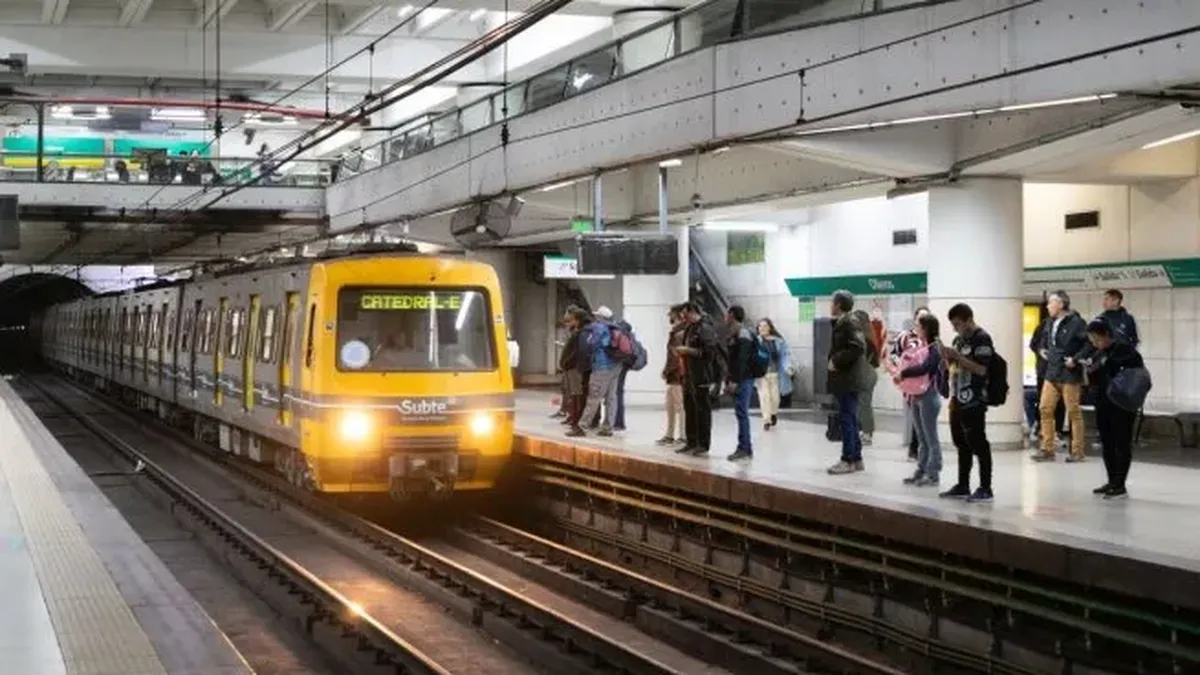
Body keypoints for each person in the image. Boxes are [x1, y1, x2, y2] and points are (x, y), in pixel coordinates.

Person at [938, 303, 995, 503]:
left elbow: (982, 370)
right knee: (961, 442)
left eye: (958, 324)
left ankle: (985, 487)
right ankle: (963, 484)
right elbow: (955, 366)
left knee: (978, 442)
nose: (955, 328)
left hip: (974, 399)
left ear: (969, 320)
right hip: (957, 397)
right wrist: (947, 357)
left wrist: (958, 357)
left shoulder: (982, 339)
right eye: (953, 325)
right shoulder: (959, 340)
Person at [1084, 318, 1144, 499]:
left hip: (1122, 405)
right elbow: (1094, 374)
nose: (1094, 343)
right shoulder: (1098, 353)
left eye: (1097, 338)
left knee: (1121, 443)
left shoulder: (1125, 351)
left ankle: (1120, 484)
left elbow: (1136, 376)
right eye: (1092, 339)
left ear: (1107, 335)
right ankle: (1111, 480)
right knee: (1107, 442)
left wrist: (1106, 363)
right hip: (1103, 403)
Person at [1033, 290, 1089, 463]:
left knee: (1073, 411)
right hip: (1052, 371)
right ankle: (1047, 448)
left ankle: (1078, 451)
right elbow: (1043, 341)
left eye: (1051, 302)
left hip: (1069, 373)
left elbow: (1089, 343)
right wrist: (1042, 349)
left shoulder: (1077, 323)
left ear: (1061, 304)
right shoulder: (1049, 322)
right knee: (1045, 408)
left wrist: (1076, 359)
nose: (1048, 306)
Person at [892, 314, 945, 487]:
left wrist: (904, 373)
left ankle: (933, 473)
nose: (915, 328)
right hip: (916, 395)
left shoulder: (936, 347)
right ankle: (921, 470)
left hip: (929, 395)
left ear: (926, 328)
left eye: (918, 326)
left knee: (931, 437)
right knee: (922, 438)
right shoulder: (921, 345)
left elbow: (926, 368)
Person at [826, 290, 867, 475]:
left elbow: (858, 347)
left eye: (832, 302)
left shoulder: (849, 322)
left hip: (848, 379)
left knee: (847, 419)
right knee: (849, 417)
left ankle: (847, 459)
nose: (830, 305)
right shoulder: (844, 321)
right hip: (846, 378)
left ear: (839, 304)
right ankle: (857, 458)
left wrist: (837, 360)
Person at [674, 302, 719, 456]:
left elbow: (709, 353)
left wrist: (688, 350)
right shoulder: (689, 328)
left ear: (693, 312)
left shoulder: (705, 329)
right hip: (689, 375)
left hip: (702, 375)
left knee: (702, 410)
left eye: (685, 315)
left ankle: (703, 444)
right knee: (690, 409)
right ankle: (691, 441)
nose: (684, 318)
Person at [569, 306, 619, 438]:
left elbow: (592, 344)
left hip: (601, 367)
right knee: (611, 397)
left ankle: (582, 427)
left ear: (601, 317)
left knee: (593, 397)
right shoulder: (615, 327)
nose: (595, 318)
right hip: (615, 367)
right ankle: (607, 428)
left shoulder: (599, 328)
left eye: (597, 316)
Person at [889, 306, 930, 460]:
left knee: (925, 417)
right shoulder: (905, 337)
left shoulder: (931, 339)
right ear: (915, 320)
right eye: (921, 318)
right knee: (917, 417)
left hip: (927, 383)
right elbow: (894, 355)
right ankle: (915, 448)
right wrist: (900, 370)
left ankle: (920, 449)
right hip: (911, 384)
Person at [724, 306, 757, 462]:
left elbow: (742, 360)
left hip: (744, 379)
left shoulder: (743, 333)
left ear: (732, 315)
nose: (725, 317)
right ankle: (746, 447)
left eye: (727, 314)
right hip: (740, 378)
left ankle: (743, 448)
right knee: (740, 412)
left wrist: (735, 381)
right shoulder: (736, 332)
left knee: (742, 413)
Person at [850, 307, 882, 446]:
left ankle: (867, 433)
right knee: (864, 405)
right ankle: (866, 432)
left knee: (864, 405)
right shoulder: (870, 338)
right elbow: (875, 362)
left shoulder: (861, 339)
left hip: (863, 374)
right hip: (869, 373)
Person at [657, 304, 687, 446]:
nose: (669, 316)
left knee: (680, 406)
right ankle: (670, 435)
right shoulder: (676, 331)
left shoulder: (681, 331)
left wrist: (669, 369)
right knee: (670, 405)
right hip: (673, 374)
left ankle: (683, 436)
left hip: (678, 374)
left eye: (671, 314)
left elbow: (677, 355)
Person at [754, 318, 792, 431]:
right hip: (761, 374)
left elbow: (785, 356)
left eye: (765, 326)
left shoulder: (778, 341)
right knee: (764, 396)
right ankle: (766, 420)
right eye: (760, 326)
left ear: (770, 327)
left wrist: (788, 367)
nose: (762, 328)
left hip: (775, 373)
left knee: (775, 398)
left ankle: (773, 413)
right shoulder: (755, 342)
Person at [560, 308, 591, 432]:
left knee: (577, 394)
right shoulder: (578, 332)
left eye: (572, 319)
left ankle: (577, 420)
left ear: (578, 320)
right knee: (575, 394)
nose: (570, 322)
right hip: (573, 367)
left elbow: (577, 352)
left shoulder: (581, 333)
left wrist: (567, 363)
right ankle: (574, 418)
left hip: (574, 368)